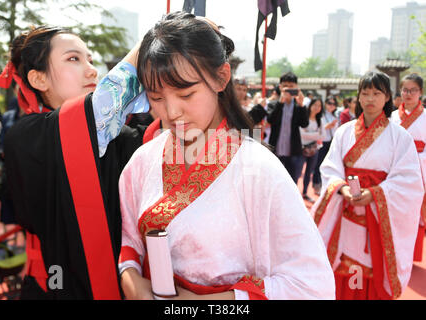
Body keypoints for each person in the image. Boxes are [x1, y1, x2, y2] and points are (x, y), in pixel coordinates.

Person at [118, 12, 335, 300]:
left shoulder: (259, 169)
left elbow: (312, 285)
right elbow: (130, 242)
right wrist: (131, 279)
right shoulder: (142, 162)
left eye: (186, 95)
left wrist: (208, 303)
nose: (171, 113)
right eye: (156, 98)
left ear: (221, 78)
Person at [0, 26, 149, 299]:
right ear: (38, 79)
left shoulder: (117, 136)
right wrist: (154, 38)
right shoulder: (27, 136)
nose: (91, 70)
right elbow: (100, 109)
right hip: (54, 285)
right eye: (73, 59)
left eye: (89, 59)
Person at [310, 71, 423, 300]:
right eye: (365, 93)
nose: (370, 99)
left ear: (387, 97)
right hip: (346, 209)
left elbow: (408, 180)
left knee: (369, 268)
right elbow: (331, 168)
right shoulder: (344, 132)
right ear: (359, 98)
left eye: (377, 93)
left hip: (377, 215)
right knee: (344, 264)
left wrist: (376, 194)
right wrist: (341, 188)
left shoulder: (400, 137)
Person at [390, 73, 425, 262]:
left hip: (420, 172)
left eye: (413, 90)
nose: (408, 94)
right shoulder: (392, 117)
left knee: (414, 213)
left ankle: (411, 254)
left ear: (420, 92)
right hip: (395, 169)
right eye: (405, 90)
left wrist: (415, 157)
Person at [267, 72, 308, 183]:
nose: (288, 89)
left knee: (292, 182)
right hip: (276, 150)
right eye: (285, 86)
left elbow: (304, 124)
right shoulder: (273, 104)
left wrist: (301, 105)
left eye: (291, 87)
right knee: (273, 182)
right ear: (280, 87)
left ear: (296, 88)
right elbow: (271, 120)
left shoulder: (299, 105)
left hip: (293, 152)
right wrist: (280, 102)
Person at [298, 99, 324, 203]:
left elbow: (323, 135)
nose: (317, 107)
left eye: (319, 105)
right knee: (298, 172)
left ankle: (305, 192)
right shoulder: (304, 118)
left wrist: (309, 134)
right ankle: (295, 193)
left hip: (314, 150)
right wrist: (315, 134)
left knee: (309, 172)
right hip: (302, 148)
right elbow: (301, 135)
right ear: (310, 106)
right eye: (315, 105)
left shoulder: (320, 120)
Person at [312, 96, 338, 195]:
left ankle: (325, 184)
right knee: (319, 164)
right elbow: (319, 128)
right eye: (329, 103)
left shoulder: (335, 115)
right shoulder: (321, 115)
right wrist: (328, 126)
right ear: (325, 104)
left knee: (329, 164)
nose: (331, 106)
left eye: (333, 104)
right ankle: (316, 184)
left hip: (332, 142)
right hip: (322, 141)